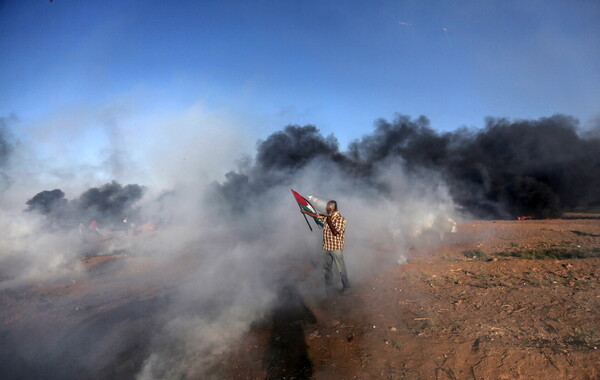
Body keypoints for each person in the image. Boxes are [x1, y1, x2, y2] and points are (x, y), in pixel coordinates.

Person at [301, 200, 350, 294]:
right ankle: (329, 288)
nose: (325, 208)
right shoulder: (327, 217)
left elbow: (336, 233)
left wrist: (329, 221)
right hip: (326, 248)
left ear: (332, 207)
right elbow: (316, 216)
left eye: (327, 206)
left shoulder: (341, 219)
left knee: (341, 269)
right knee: (326, 269)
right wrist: (305, 212)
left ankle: (347, 287)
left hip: (336, 249)